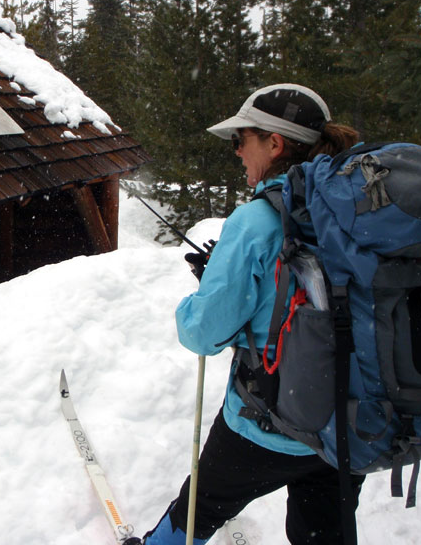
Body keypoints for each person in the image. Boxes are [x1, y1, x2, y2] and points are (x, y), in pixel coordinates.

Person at [143, 84, 365, 545]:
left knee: (200, 507)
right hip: (349, 423)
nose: (238, 152)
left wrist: (206, 291)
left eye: (241, 139)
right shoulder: (359, 208)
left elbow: (203, 333)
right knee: (326, 532)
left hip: (272, 424)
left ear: (274, 143)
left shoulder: (257, 221)